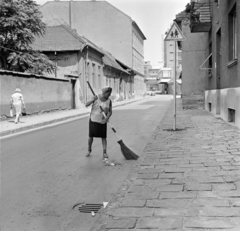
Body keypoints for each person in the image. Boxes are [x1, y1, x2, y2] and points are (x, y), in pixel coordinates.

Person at [85, 86, 113, 160]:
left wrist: (107, 118)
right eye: (109, 93)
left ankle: (104, 152)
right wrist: (92, 100)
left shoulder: (109, 101)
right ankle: (89, 149)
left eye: (110, 93)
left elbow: (110, 111)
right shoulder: (96, 97)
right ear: (105, 92)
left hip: (103, 121)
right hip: (93, 120)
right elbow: (86, 104)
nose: (109, 95)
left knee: (103, 137)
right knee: (91, 136)